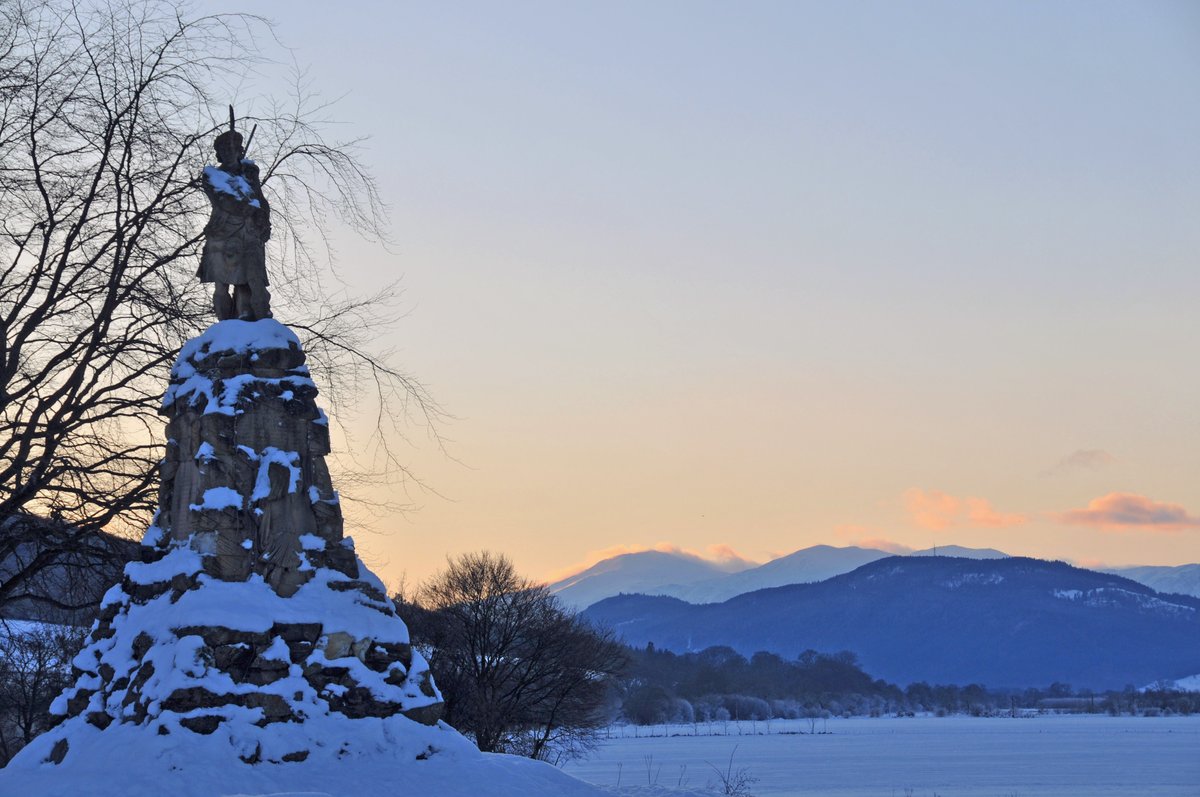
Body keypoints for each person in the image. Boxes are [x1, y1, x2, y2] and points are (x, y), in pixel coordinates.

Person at [197, 129, 272, 320]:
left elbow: (260, 200)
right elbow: (224, 201)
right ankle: (225, 322)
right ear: (219, 153)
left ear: (239, 150)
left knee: (250, 280)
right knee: (221, 284)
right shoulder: (212, 176)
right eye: (224, 149)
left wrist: (264, 221)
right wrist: (251, 209)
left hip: (249, 233)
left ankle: (251, 314)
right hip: (222, 233)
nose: (229, 152)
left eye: (232, 148)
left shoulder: (248, 175)